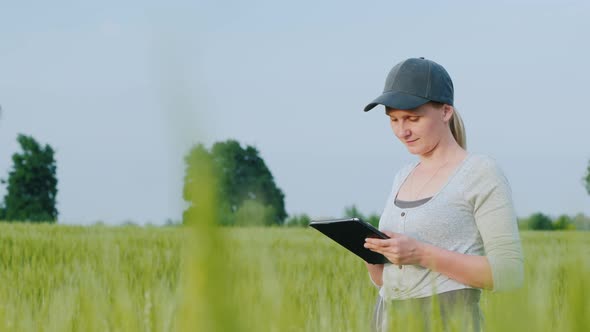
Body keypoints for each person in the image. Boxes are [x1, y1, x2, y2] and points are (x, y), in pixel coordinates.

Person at [362, 57, 524, 332]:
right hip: (388, 319)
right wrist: (372, 255)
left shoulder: (480, 173)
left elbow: (509, 273)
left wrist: (420, 253)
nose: (403, 131)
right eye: (394, 119)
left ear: (446, 111)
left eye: (413, 118)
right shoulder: (403, 176)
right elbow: (384, 281)